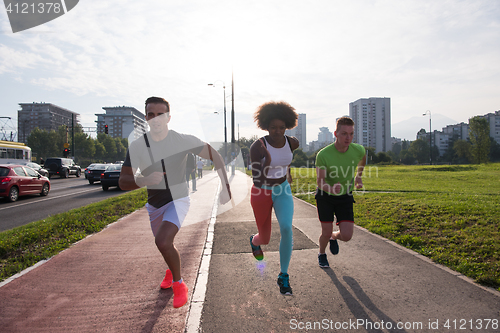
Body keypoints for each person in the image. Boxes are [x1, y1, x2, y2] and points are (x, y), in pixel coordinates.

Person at [119, 96, 231, 308]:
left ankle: (179, 284)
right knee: (165, 245)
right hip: (154, 205)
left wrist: (226, 187)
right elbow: (123, 181)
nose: (156, 119)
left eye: (160, 114)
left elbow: (215, 156)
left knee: (162, 241)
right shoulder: (137, 146)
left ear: (168, 117)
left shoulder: (181, 140)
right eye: (151, 115)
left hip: (178, 200)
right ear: (146, 117)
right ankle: (171, 272)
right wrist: (143, 180)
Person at [249, 101, 299, 295]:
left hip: (282, 190)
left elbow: (286, 158)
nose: (277, 131)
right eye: (273, 128)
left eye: (281, 128)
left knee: (287, 228)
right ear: (265, 127)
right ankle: (254, 242)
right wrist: (268, 162)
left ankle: (283, 275)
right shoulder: (257, 147)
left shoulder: (292, 142)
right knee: (266, 239)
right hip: (261, 191)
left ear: (287, 126)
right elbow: (256, 178)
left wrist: (288, 172)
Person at [315, 116, 366, 268]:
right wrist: (330, 189)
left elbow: (363, 158)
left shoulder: (358, 150)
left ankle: (334, 237)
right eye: (344, 133)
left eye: (351, 134)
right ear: (336, 134)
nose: (348, 138)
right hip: (325, 196)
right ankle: (322, 253)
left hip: (345, 195)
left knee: (347, 235)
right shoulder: (323, 155)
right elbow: (320, 181)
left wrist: (358, 176)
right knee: (325, 231)